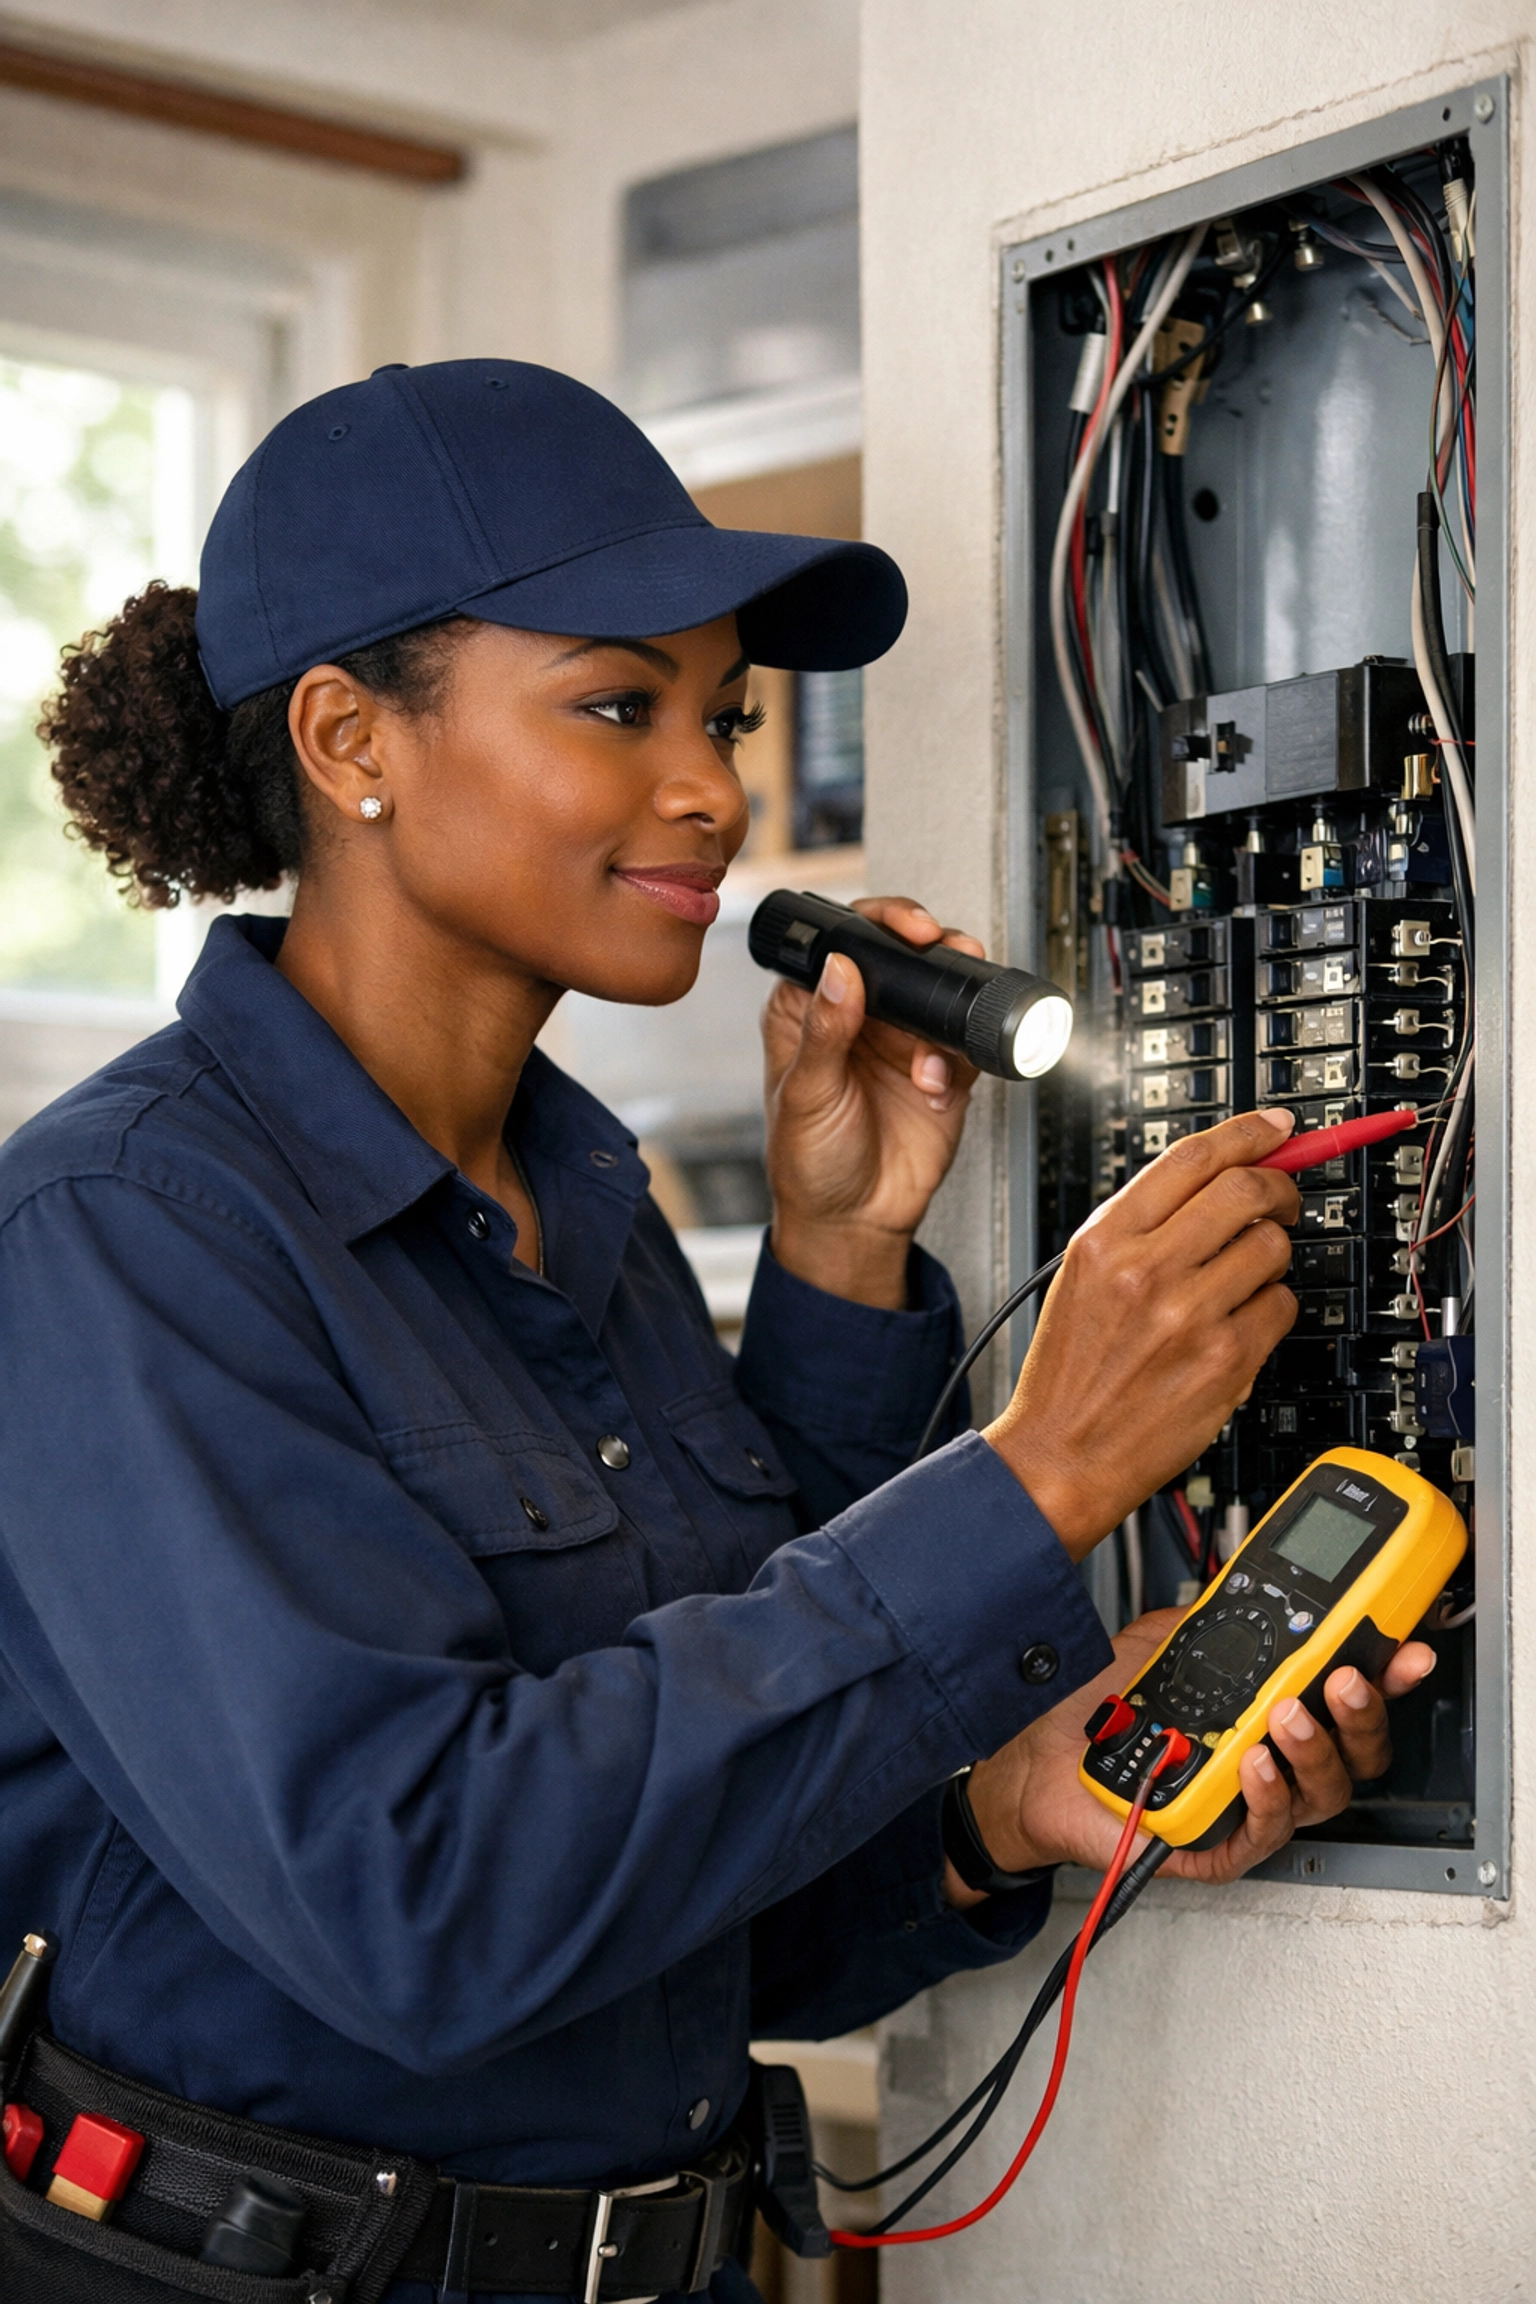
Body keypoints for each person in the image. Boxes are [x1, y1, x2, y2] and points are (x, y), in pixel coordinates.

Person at [0, 360, 1431, 2304]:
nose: (717, 789)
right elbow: (429, 1909)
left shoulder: (589, 1222)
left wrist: (996, 1815)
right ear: (353, 737)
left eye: (729, 714)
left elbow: (697, 1893)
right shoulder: (118, 1236)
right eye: (620, 704)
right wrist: (1040, 1472)